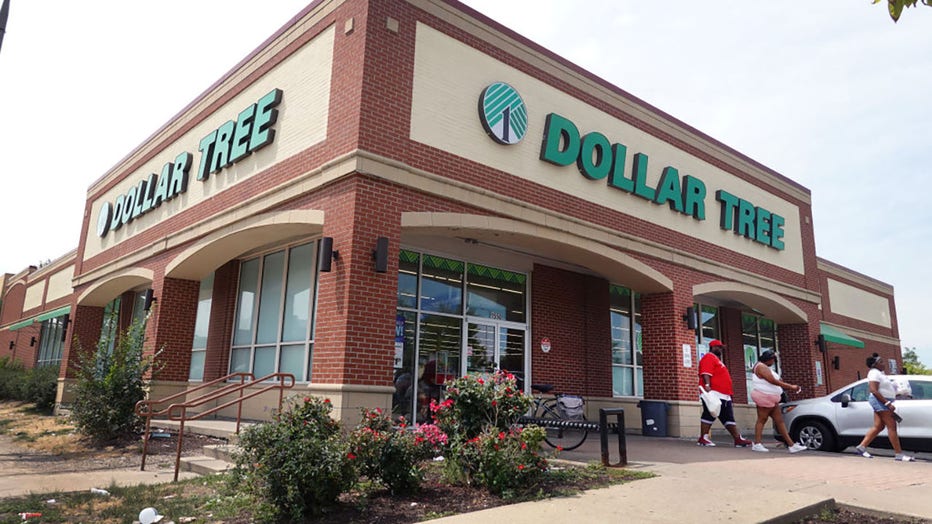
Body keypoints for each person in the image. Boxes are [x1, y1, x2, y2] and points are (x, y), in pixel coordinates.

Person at [855, 353, 914, 461]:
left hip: (882, 401)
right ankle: (898, 454)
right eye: (881, 362)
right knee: (892, 426)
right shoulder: (874, 373)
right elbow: (873, 390)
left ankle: (862, 447)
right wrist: (887, 403)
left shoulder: (880, 373)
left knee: (879, 426)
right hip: (880, 402)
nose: (884, 363)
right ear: (875, 364)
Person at [697, 339, 753, 447]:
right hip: (714, 392)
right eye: (718, 347)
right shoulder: (709, 357)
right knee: (710, 414)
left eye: (721, 348)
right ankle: (703, 438)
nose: (720, 349)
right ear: (713, 347)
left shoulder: (717, 359)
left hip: (724, 394)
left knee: (728, 416)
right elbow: (706, 372)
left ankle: (737, 439)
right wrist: (708, 385)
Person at [750, 350, 807, 453]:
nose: (773, 362)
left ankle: (791, 445)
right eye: (773, 360)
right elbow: (773, 381)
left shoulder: (763, 367)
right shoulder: (761, 367)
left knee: (779, 421)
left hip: (771, 398)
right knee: (762, 420)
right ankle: (757, 444)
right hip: (765, 397)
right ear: (770, 359)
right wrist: (791, 387)